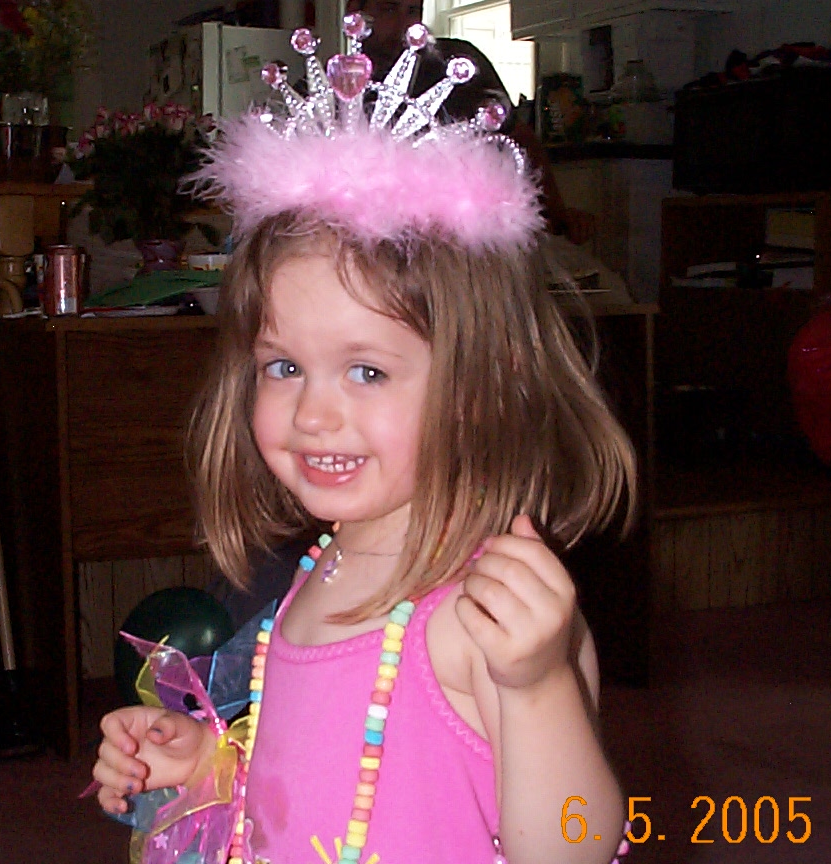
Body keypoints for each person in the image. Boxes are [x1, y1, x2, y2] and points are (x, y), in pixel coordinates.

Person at [91, 22, 635, 864]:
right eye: (283, 366)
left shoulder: (484, 620)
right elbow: (311, 785)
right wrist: (207, 766)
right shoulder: (317, 573)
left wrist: (536, 688)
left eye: (367, 372)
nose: (314, 413)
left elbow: (577, 845)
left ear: (483, 388)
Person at [346, 0, 597, 245]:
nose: (404, 25)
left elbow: (519, 138)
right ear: (355, 10)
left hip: (464, 239)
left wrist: (557, 213)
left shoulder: (455, 63)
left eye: (413, 11)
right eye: (389, 8)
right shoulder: (345, 84)